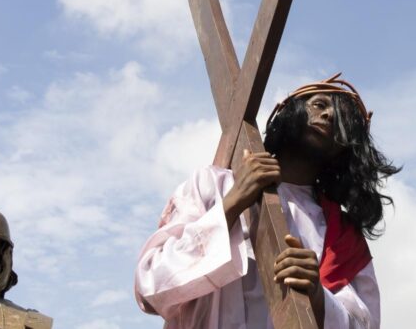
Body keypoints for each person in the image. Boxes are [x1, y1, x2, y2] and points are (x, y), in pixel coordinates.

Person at [135, 73, 401, 328]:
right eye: (319, 104)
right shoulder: (213, 185)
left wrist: (318, 296)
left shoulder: (342, 238)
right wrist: (231, 205)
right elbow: (150, 286)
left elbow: (364, 324)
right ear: (291, 113)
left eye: (342, 120)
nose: (329, 114)